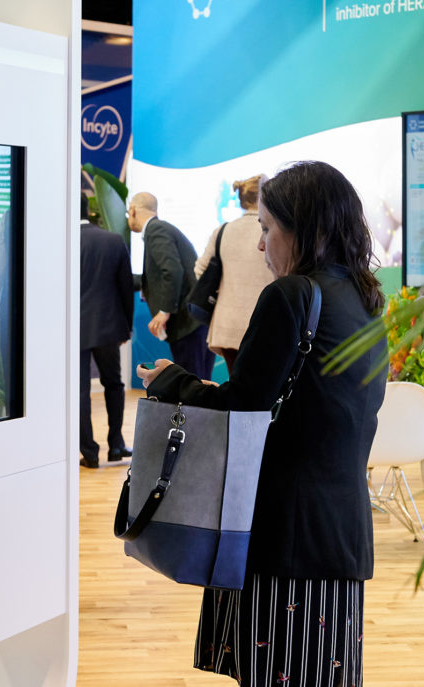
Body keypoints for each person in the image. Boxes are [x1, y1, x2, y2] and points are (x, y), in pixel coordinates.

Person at [136, 162, 386, 686]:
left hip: (283, 534)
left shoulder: (292, 295)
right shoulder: (364, 300)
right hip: (340, 532)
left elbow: (243, 407)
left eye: (268, 229)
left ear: (306, 230)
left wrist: (174, 381)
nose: (259, 245)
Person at [127, 192, 215, 379]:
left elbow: (172, 271)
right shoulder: (162, 228)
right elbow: (161, 273)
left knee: (191, 387)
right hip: (195, 322)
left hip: (187, 324)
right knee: (200, 385)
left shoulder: (155, 230)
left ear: (133, 210)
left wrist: (164, 311)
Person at [194, 175, 271, 374]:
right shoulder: (274, 230)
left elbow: (200, 270)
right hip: (264, 322)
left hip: (227, 324)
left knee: (237, 385)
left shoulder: (223, 230)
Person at [79, 193, 134, 468]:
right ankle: (116, 445)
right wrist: (127, 327)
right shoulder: (113, 240)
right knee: (114, 385)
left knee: (78, 392)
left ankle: (88, 453)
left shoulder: (60, 242)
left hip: (72, 330)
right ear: (90, 210)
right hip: (108, 325)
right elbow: (126, 288)